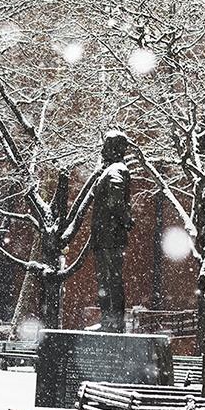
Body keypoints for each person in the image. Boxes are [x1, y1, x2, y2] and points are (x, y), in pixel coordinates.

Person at [92, 131, 133, 333]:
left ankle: (113, 321)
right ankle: (109, 320)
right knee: (107, 280)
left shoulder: (116, 170)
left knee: (110, 280)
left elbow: (116, 201)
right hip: (105, 236)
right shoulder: (111, 170)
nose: (102, 150)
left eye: (106, 146)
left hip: (109, 236)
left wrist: (125, 220)